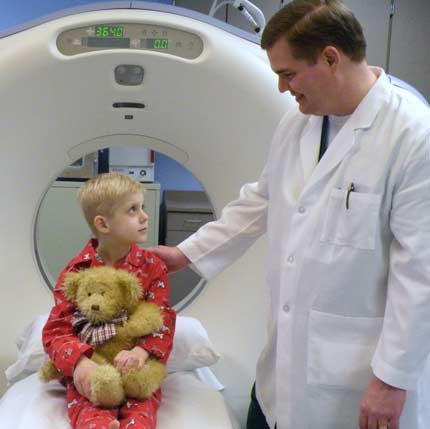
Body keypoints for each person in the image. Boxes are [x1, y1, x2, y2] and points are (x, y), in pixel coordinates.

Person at [149, 1, 430, 428]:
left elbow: (420, 273)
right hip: (282, 369)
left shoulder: (412, 135)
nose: (282, 88)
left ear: (331, 58)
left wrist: (391, 380)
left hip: (358, 381)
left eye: (288, 73)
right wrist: (184, 254)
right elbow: (261, 200)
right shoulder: (298, 123)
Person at [42, 172, 176, 429]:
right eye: (132, 210)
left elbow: (163, 317)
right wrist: (80, 363)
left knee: (142, 408)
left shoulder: (152, 267)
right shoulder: (76, 271)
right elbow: (56, 329)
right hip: (94, 362)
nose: (145, 216)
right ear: (103, 224)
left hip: (136, 366)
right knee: (89, 408)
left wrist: (140, 351)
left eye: (143, 207)